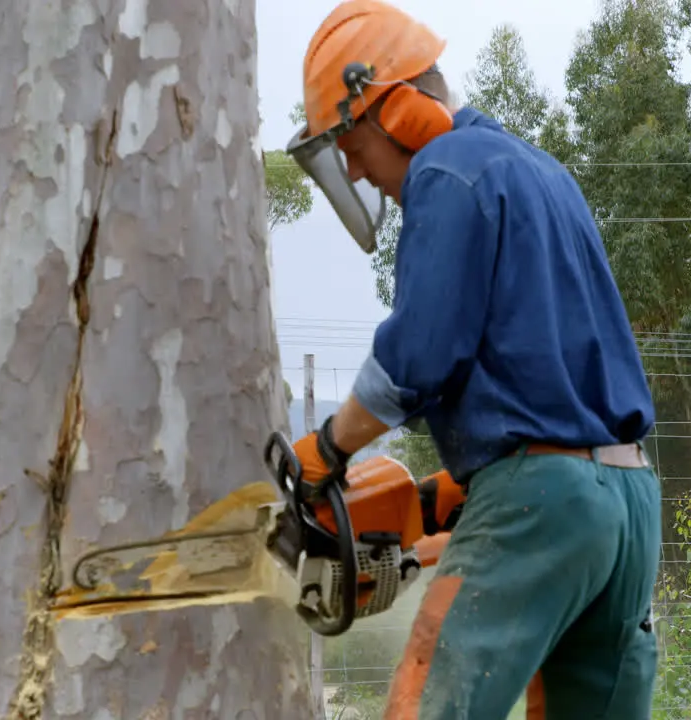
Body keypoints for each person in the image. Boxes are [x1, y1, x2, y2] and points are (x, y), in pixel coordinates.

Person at [283, 1, 663, 718]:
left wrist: (327, 448)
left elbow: (417, 357)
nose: (359, 175)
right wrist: (453, 490)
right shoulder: (543, 173)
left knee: (432, 705)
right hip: (629, 500)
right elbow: (553, 375)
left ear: (394, 111)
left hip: (543, 505)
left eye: (351, 144)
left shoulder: (448, 170)